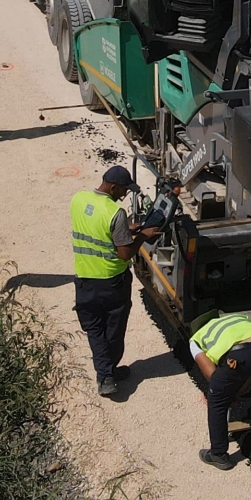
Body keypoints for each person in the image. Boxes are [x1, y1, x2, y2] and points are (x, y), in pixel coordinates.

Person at [71, 165, 158, 397]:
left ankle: (106, 371)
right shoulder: (114, 212)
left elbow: (95, 227)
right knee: (113, 330)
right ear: (112, 186)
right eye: (123, 190)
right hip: (111, 282)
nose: (125, 194)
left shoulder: (79, 199)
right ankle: (106, 376)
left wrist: (124, 229)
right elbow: (125, 254)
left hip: (84, 280)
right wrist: (142, 236)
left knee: (94, 329)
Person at [190, 311, 251, 470]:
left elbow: (213, 375)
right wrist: (237, 391)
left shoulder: (196, 339)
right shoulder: (235, 318)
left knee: (216, 401)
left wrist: (228, 394)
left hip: (238, 356)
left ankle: (218, 454)